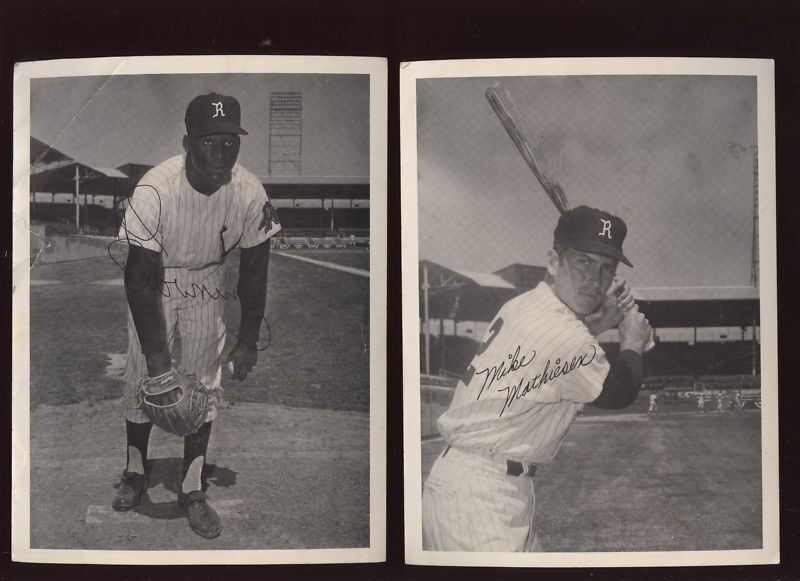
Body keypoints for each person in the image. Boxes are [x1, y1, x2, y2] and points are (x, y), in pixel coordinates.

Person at [422, 206, 652, 552]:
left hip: (479, 483)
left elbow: (555, 356)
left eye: (607, 269)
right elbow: (618, 391)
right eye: (583, 263)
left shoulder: (524, 305)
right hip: (480, 496)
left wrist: (602, 322)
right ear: (553, 261)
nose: (596, 279)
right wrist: (631, 340)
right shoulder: (563, 334)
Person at [112, 93, 282, 538]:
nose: (221, 153)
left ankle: (192, 487)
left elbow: (255, 271)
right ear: (188, 142)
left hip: (209, 280)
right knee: (142, 379)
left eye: (230, 142)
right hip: (157, 280)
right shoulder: (154, 188)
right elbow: (139, 279)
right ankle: (134, 471)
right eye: (209, 142)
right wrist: (156, 359)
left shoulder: (249, 191)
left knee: (205, 384)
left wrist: (247, 339)